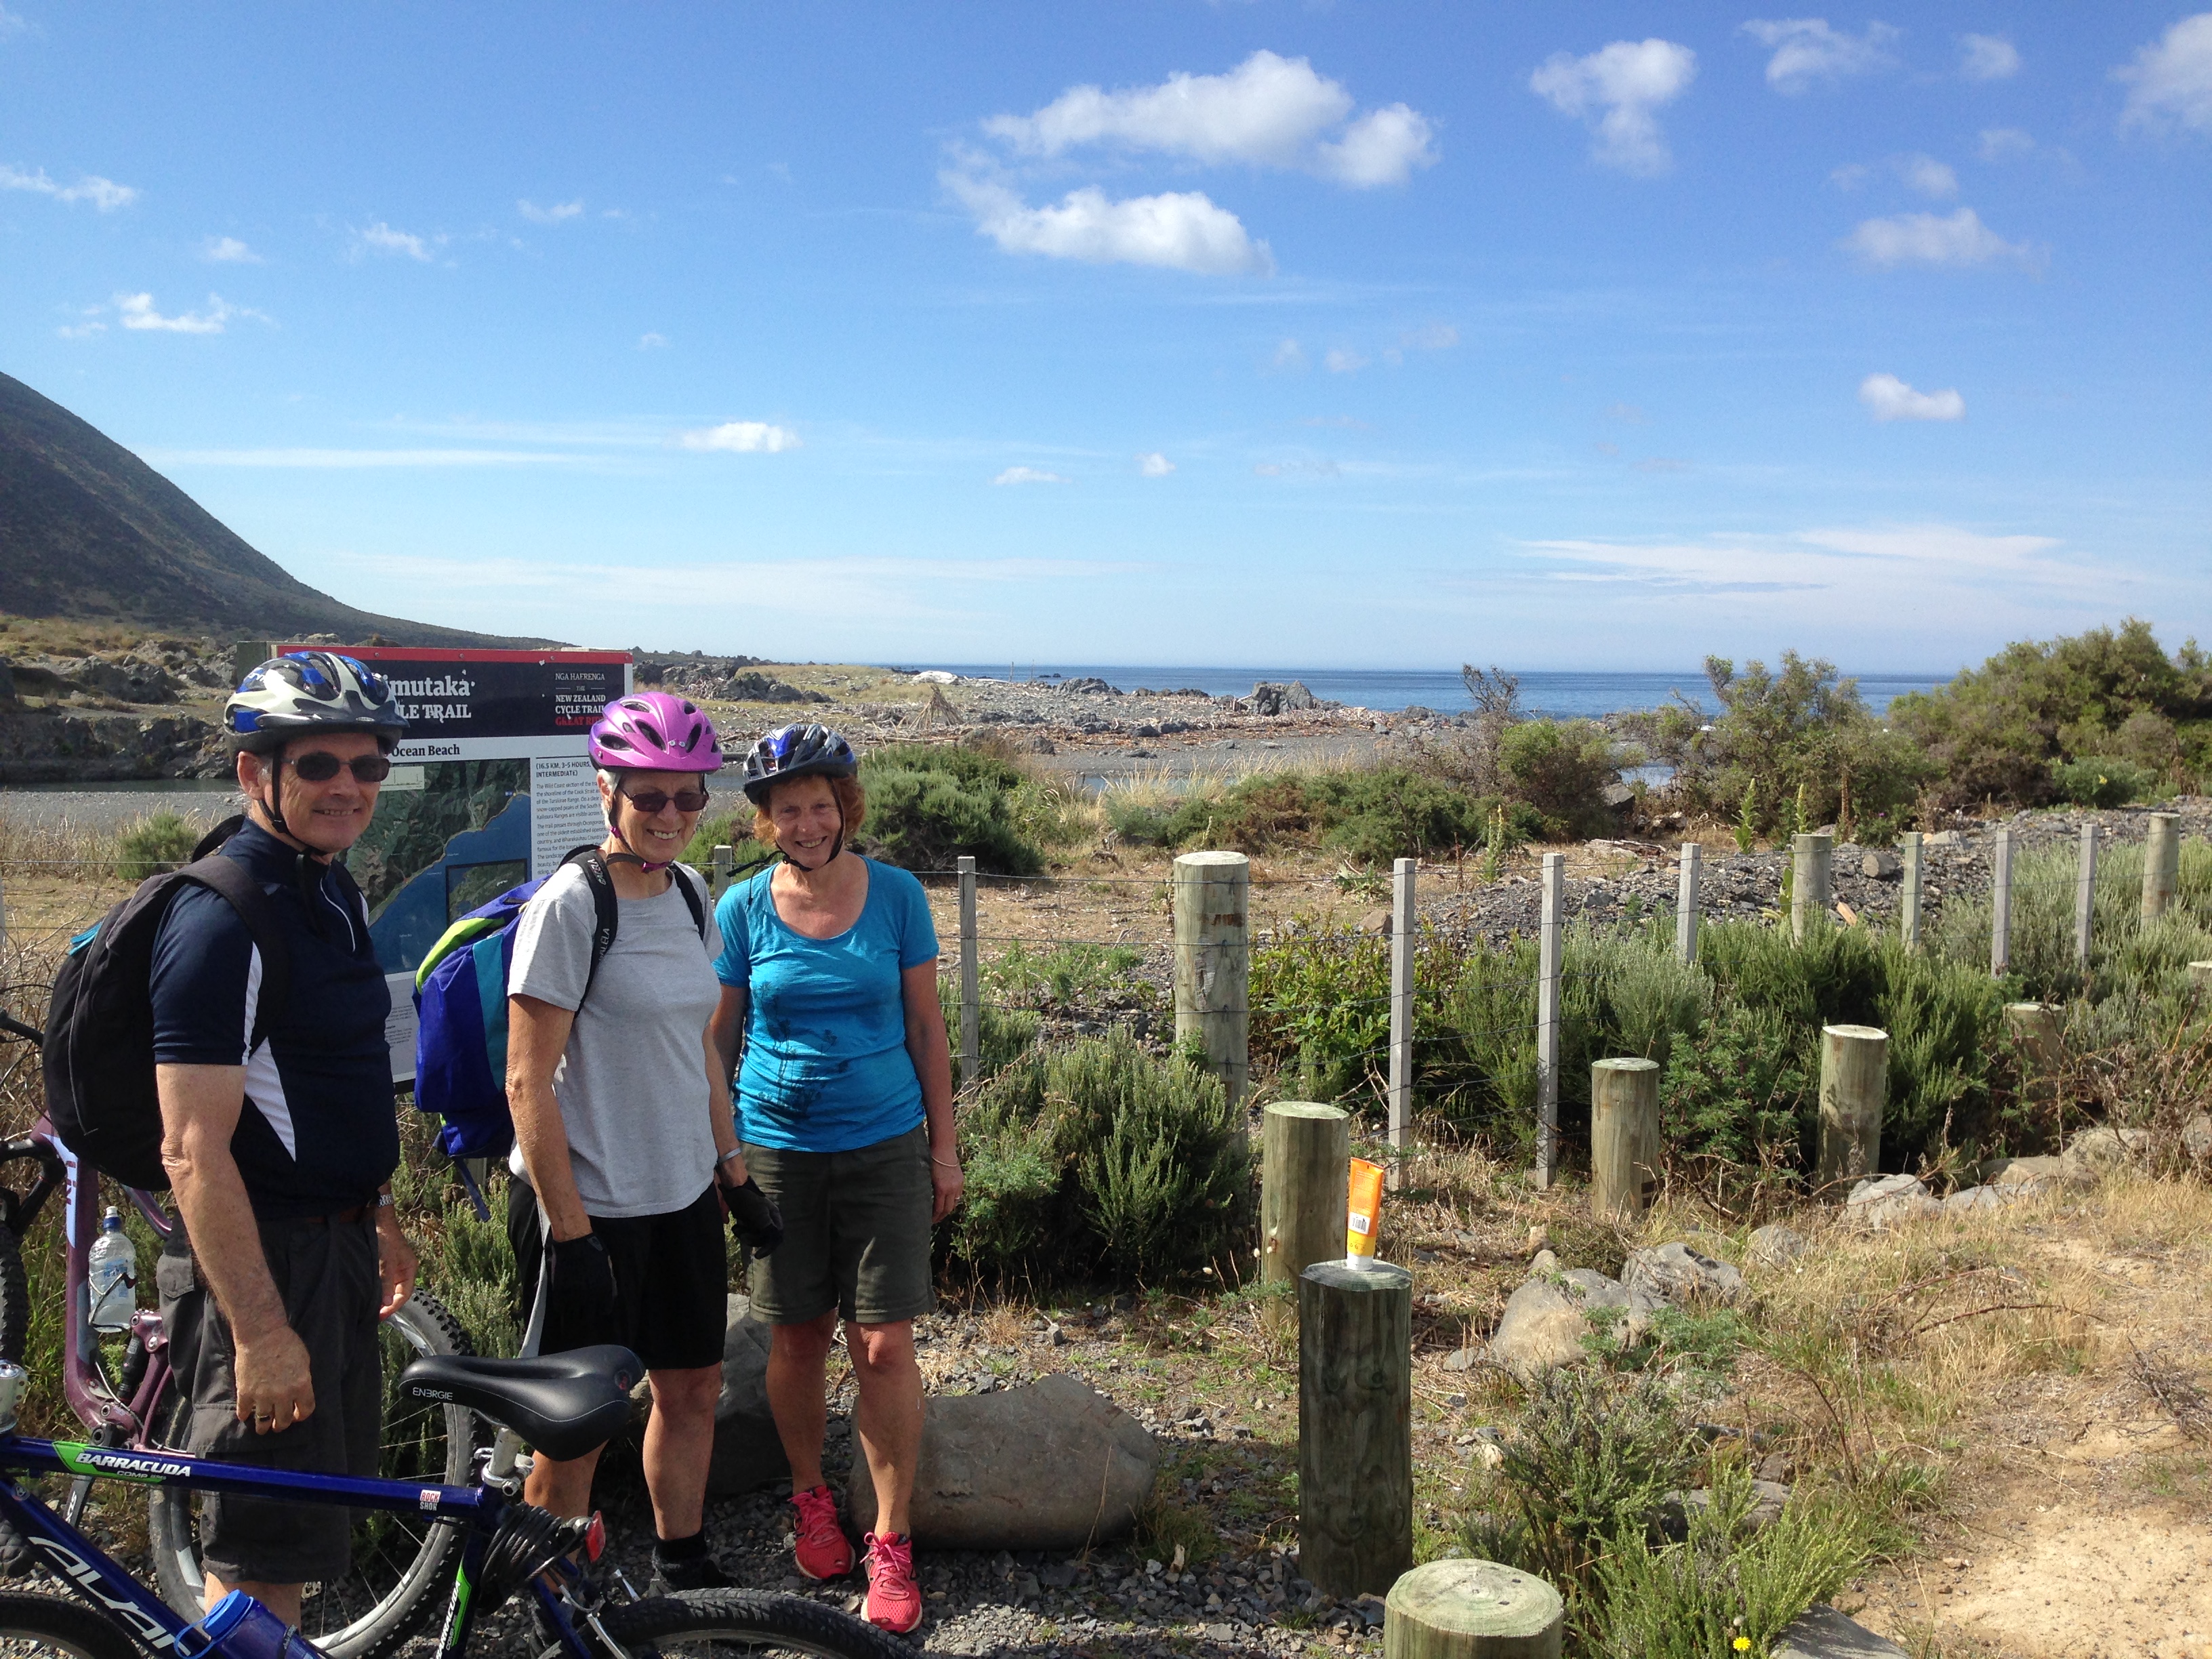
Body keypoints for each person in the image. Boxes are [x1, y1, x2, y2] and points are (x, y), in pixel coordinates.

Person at [152, 651, 419, 1623]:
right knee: (258, 1563)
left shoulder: (332, 891)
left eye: (368, 765)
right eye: (317, 765)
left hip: (333, 1248)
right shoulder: (222, 921)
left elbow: (333, 1074)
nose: (348, 786)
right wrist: (260, 1334)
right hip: (263, 1266)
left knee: (299, 1542)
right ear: (252, 772)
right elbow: (191, 1149)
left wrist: (377, 1211)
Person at [504, 691, 781, 1593]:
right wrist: (573, 1235)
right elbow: (525, 1082)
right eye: (650, 795)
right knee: (576, 1426)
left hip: (680, 1194)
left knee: (692, 1388)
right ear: (607, 791)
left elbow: (697, 1046)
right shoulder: (571, 906)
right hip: (587, 1207)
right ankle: (554, 1600)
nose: (671, 814)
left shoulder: (691, 893)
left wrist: (732, 1172)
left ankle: (682, 1565)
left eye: (689, 796)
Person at [707, 722, 960, 1636]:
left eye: (820, 806)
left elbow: (926, 1028)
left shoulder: (897, 895)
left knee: (883, 1344)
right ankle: (812, 1497)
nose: (807, 824)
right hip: (777, 1149)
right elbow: (717, 1040)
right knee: (799, 1336)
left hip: (885, 1142)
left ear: (845, 806)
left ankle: (891, 1539)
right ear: (767, 820)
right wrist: (724, 1155)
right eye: (788, 811)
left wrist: (944, 1148)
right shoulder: (742, 907)